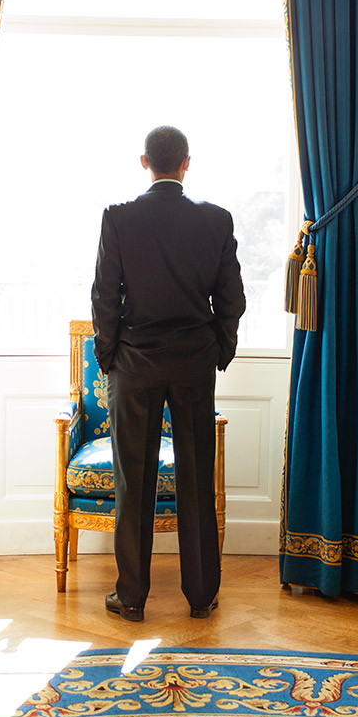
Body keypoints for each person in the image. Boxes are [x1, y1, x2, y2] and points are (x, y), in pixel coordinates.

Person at [91, 126, 246, 623]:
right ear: (185, 164)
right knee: (196, 478)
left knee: (132, 480)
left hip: (134, 362)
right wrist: (219, 351)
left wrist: (110, 356)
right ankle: (201, 595)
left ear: (144, 162)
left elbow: (103, 297)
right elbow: (232, 300)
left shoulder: (118, 219)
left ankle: (132, 597)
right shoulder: (216, 221)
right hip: (194, 362)